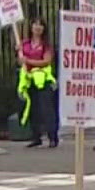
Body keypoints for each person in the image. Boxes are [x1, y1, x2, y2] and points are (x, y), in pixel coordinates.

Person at [17, 16, 59, 148]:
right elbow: (20, 61)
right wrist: (20, 56)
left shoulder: (46, 46)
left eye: (40, 25)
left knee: (47, 108)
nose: (37, 27)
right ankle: (36, 136)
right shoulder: (25, 44)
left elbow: (46, 61)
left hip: (43, 81)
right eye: (35, 24)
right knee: (32, 108)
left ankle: (52, 136)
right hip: (29, 80)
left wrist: (29, 61)